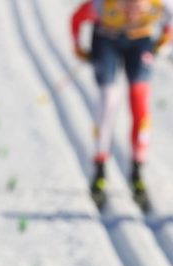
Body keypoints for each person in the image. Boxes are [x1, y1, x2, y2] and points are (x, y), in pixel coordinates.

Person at [71, 0, 173, 209]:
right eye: (126, 6)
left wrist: (163, 42)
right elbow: (76, 19)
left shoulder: (161, 5)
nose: (131, 12)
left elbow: (169, 23)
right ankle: (100, 169)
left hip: (140, 40)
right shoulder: (102, 6)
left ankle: (137, 169)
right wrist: (78, 47)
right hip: (106, 39)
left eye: (137, 7)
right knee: (108, 100)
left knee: (139, 101)